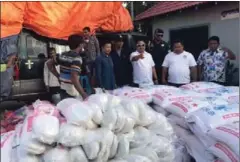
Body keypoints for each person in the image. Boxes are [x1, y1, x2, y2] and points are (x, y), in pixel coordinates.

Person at [47, 34, 88, 100]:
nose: (83, 45)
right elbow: (74, 78)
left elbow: (49, 63)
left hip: (63, 88)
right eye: (83, 44)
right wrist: (83, 94)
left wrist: (58, 76)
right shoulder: (77, 58)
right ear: (80, 45)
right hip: (72, 91)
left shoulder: (63, 55)